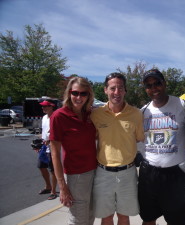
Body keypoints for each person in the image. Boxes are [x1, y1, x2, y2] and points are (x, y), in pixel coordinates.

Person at [138, 69, 185, 225]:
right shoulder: (143, 111)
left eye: (157, 83)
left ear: (164, 83)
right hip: (149, 174)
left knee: (178, 221)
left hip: (176, 174)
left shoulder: (182, 105)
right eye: (149, 85)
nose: (154, 88)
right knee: (148, 218)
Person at [91, 72, 144, 225]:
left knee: (124, 216)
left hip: (127, 173)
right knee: (106, 217)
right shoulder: (96, 114)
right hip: (103, 173)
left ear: (125, 91)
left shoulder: (136, 114)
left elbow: (140, 138)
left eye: (120, 88)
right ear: (105, 90)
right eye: (112, 88)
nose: (117, 92)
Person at [50, 77, 97, 225]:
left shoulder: (90, 114)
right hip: (76, 176)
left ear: (89, 96)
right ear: (69, 93)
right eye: (75, 93)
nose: (79, 97)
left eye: (84, 94)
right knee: (78, 220)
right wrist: (62, 187)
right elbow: (55, 154)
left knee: (90, 216)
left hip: (95, 171)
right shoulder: (59, 116)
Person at [37, 99, 58, 200]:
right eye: (42, 106)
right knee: (41, 166)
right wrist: (39, 143)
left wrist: (50, 140)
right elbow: (44, 131)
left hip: (52, 147)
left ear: (51, 106)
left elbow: (58, 133)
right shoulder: (44, 118)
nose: (43, 108)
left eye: (45, 106)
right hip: (44, 147)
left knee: (52, 170)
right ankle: (48, 186)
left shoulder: (55, 117)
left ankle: (53, 191)